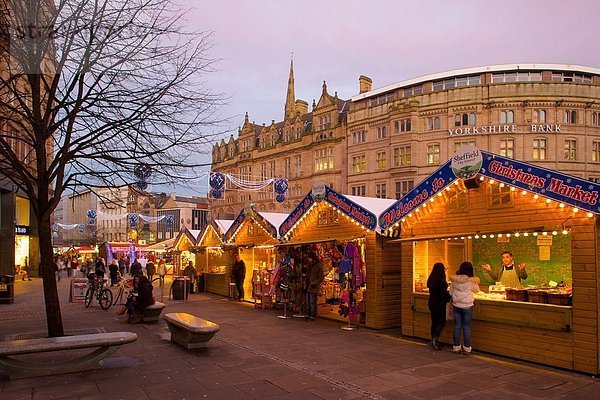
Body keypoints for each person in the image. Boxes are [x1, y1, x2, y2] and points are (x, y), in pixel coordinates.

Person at [449, 261, 480, 355]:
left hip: (456, 306)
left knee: (457, 326)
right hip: (467, 306)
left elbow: (450, 292)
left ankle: (456, 347)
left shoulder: (454, 280)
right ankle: (467, 348)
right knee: (466, 327)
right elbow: (477, 291)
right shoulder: (471, 281)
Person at [427, 262, 449, 350]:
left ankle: (433, 339)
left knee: (434, 322)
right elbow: (442, 294)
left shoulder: (432, 278)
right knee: (441, 322)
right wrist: (449, 295)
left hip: (432, 303)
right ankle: (435, 340)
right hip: (439, 304)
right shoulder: (440, 280)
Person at [305, 254, 325, 321]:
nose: (308, 259)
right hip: (308, 286)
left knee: (312, 302)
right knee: (308, 302)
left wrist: (315, 283)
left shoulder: (318, 266)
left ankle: (313, 316)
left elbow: (321, 277)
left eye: (309, 258)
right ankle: (308, 314)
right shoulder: (310, 266)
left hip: (313, 287)